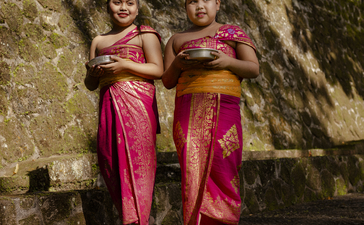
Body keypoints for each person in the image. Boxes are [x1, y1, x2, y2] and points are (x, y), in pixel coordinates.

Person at [162, 0, 259, 224]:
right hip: (187, 113)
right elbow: (167, 80)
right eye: (191, 1)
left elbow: (253, 68)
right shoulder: (177, 40)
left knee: (224, 166)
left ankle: (225, 219)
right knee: (191, 169)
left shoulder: (233, 32)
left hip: (224, 111)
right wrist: (177, 64)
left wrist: (226, 61)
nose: (199, 6)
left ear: (218, 4)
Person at [84, 0, 163, 224]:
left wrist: (125, 66)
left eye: (130, 2)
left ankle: (138, 220)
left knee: (139, 164)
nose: (123, 8)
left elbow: (158, 69)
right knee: (109, 160)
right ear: (107, 6)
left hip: (137, 106)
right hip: (109, 105)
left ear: (138, 7)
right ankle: (127, 216)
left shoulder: (144, 34)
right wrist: (93, 73)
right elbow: (90, 84)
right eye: (117, 2)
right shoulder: (98, 41)